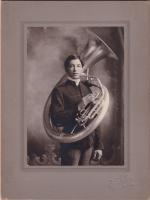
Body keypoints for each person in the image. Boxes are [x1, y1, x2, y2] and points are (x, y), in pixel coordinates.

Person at [50, 54, 104, 166]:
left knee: (84, 180)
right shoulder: (59, 90)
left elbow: (95, 118)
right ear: (66, 69)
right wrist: (81, 105)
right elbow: (56, 118)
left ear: (82, 68)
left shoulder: (87, 88)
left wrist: (99, 146)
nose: (75, 69)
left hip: (89, 142)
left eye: (78, 66)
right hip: (71, 143)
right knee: (70, 179)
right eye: (72, 66)